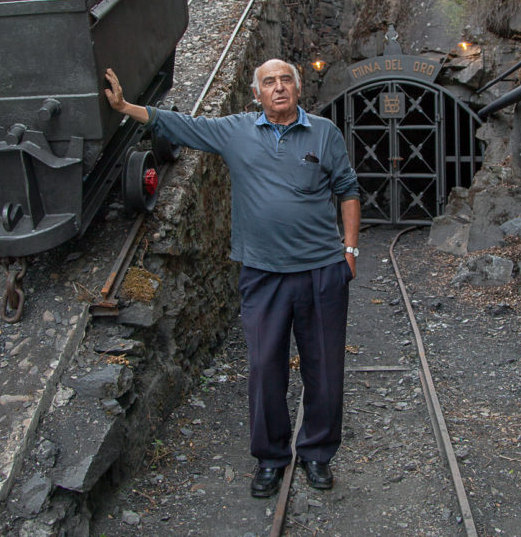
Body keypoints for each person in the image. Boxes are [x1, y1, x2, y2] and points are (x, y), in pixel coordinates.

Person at [104, 59, 360, 498]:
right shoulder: (236, 131)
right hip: (262, 274)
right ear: (256, 93)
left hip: (321, 271)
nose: (279, 88)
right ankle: (271, 458)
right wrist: (127, 106)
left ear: (297, 88)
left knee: (325, 369)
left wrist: (349, 251)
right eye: (269, 82)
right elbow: (181, 125)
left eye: (285, 81)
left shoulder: (324, 133)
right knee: (264, 368)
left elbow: (348, 189)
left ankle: (317, 455)